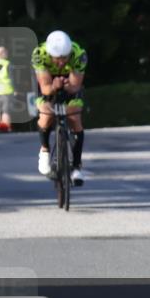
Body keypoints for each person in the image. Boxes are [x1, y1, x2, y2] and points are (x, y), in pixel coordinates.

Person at [31, 31, 88, 185]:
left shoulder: (78, 54)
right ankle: (44, 150)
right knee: (46, 115)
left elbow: (75, 86)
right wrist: (54, 86)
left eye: (65, 58)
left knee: (75, 119)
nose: (61, 62)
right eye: (57, 59)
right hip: (48, 88)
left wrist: (68, 86)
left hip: (70, 89)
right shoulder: (39, 54)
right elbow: (45, 88)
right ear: (50, 55)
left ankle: (76, 167)